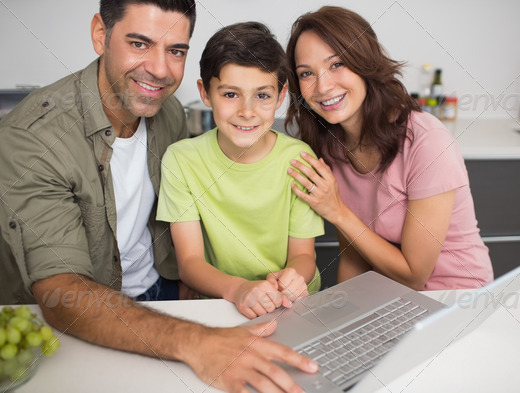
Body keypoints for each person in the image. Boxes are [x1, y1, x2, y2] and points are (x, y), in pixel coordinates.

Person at [0, 2, 317, 392]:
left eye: (176, 51)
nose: (161, 69)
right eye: (139, 43)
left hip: (166, 296)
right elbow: (63, 295)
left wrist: (188, 288)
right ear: (101, 34)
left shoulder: (165, 113)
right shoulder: (32, 139)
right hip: (95, 312)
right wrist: (198, 340)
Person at [285, 6, 494, 291]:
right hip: (391, 298)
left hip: (456, 298)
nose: (323, 86)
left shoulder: (426, 140)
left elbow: (414, 275)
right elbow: (354, 258)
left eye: (337, 64)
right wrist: (344, 316)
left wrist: (336, 210)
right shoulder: (329, 146)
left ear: (365, 63)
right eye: (307, 73)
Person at [156, 21, 324, 319]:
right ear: (205, 93)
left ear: (281, 96)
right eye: (230, 94)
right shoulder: (181, 161)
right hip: (222, 304)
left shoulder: (299, 158)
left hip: (291, 305)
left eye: (262, 95)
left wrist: (293, 277)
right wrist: (239, 289)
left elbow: (303, 255)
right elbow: (190, 263)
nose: (247, 112)